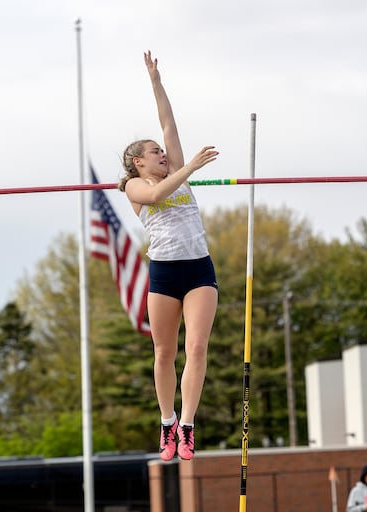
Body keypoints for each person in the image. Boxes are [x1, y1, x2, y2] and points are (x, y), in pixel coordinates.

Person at [118, 51, 219, 461]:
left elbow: (168, 122)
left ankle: (188, 425)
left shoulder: (175, 167)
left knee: (196, 348)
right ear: (139, 162)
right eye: (155, 152)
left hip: (198, 270)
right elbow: (158, 194)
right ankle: (167, 423)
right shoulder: (133, 187)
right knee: (164, 352)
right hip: (162, 274)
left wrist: (156, 81)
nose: (164, 154)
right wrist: (190, 165)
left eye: (165, 152)